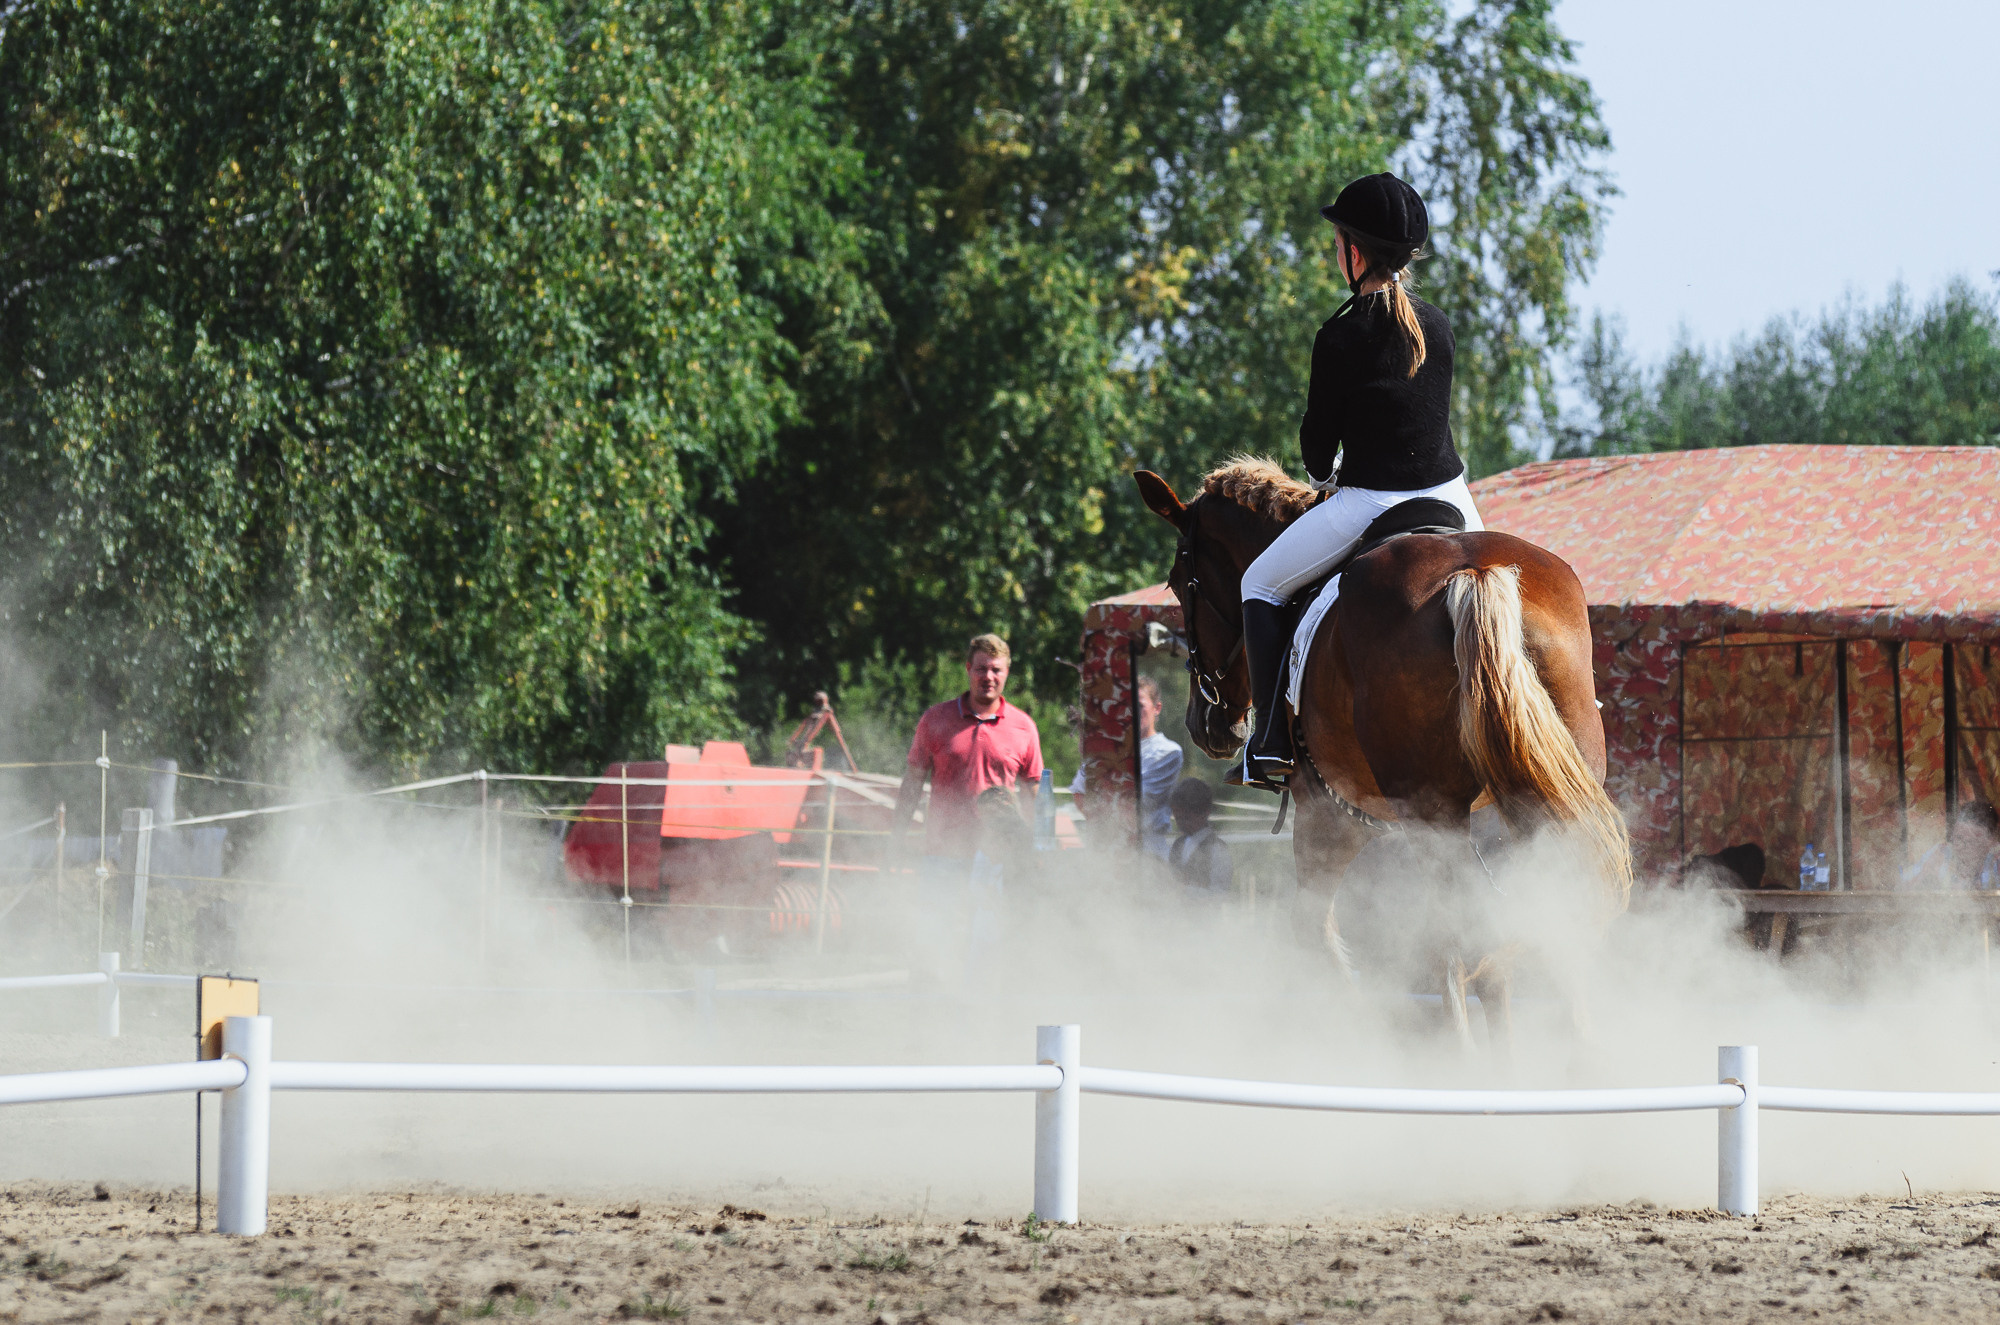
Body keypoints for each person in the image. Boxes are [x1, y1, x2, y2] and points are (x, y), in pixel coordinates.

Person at [1234, 172, 1484, 790]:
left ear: (1354, 251)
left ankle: (1267, 739)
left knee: (1257, 584)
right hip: (1452, 497)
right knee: (1497, 586)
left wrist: (1326, 472)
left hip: (1372, 501)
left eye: (1338, 240)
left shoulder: (1339, 335)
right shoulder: (1439, 325)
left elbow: (1317, 455)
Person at [890, 635, 1045, 969]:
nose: (988, 677)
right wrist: (897, 835)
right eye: (981, 669)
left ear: (1007, 672)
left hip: (996, 858)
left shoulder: (1023, 727)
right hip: (943, 852)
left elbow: (1034, 794)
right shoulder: (936, 719)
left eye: (995, 669)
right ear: (968, 670)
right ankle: (929, 1002)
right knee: (936, 938)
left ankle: (982, 1007)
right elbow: (913, 781)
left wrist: (1035, 848)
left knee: (989, 941)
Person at [1068, 674, 1183, 856]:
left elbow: (1134, 801)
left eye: (1139, 705)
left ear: (1157, 708)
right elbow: (1080, 794)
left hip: (1146, 856)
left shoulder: (1168, 752)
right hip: (1106, 852)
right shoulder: (1109, 745)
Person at [1901, 801, 2000, 891]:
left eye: (1969, 842)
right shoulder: (1942, 852)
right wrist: (1924, 877)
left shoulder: (1997, 861)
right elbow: (1903, 886)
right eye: (1958, 838)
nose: (1959, 846)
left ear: (1990, 842)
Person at [1166, 778, 1234, 897]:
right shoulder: (1178, 844)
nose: (1180, 822)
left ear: (1204, 812)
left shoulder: (1217, 849)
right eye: (1178, 817)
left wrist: (1185, 891)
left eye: (1186, 817)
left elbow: (1220, 894)